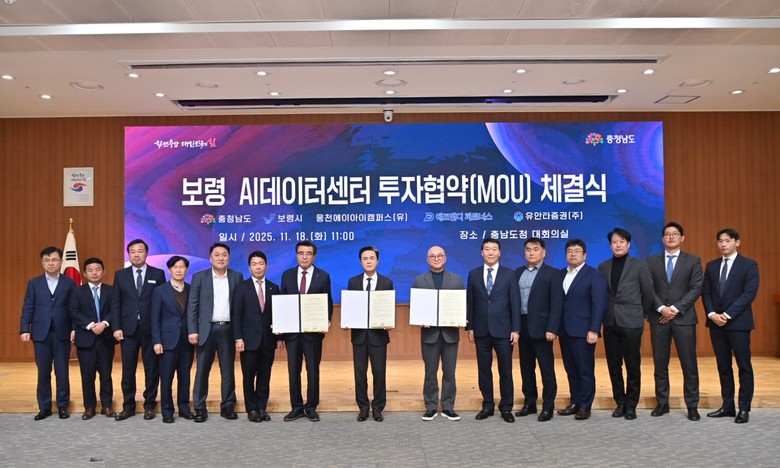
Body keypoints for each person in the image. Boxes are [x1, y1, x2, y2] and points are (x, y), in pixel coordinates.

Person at [646, 222, 703, 421]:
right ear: (663, 238)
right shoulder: (651, 261)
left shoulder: (693, 260)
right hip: (658, 318)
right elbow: (648, 288)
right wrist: (662, 308)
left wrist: (675, 309)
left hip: (684, 319)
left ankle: (692, 405)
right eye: (667, 234)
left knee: (689, 365)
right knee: (660, 364)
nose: (671, 237)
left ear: (682, 238)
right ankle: (662, 403)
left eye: (675, 234)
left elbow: (696, 288)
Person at [702, 228, 759, 424]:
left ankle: (744, 408)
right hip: (716, 323)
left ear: (737, 242)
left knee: (744, 366)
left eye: (727, 240)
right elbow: (706, 292)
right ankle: (728, 406)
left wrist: (726, 315)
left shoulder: (749, 265)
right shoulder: (711, 266)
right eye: (720, 241)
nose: (723, 244)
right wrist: (712, 314)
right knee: (723, 366)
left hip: (738, 323)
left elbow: (749, 294)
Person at [598, 227, 654, 420]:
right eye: (614, 242)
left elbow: (648, 293)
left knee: (632, 364)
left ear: (628, 244)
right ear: (610, 245)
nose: (618, 245)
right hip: (610, 321)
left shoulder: (639, 265)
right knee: (614, 365)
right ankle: (620, 402)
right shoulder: (603, 266)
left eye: (622, 241)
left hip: (632, 321)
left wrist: (640, 314)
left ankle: (631, 404)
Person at [188, 242, 244, 423]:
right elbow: (192, 306)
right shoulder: (199, 277)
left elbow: (240, 307)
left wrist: (239, 334)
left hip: (228, 329)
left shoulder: (237, 276)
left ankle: (228, 406)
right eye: (217, 255)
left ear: (229, 257)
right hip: (206, 330)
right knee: (202, 371)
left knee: (227, 370)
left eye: (224, 255)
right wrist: (192, 330)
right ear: (210, 258)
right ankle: (200, 407)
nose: (221, 258)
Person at [110, 239, 166, 421]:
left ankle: (149, 406)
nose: (136, 254)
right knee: (128, 371)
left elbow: (162, 303)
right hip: (128, 331)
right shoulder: (120, 275)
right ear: (129, 254)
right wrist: (116, 327)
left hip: (151, 330)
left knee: (152, 370)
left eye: (140, 251)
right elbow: (116, 303)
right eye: (133, 251)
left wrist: (160, 330)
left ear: (146, 253)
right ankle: (128, 406)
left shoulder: (158, 274)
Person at [466, 238, 520, 423]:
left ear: (500, 252)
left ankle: (506, 407)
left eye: (494, 249)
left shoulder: (509, 274)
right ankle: (487, 405)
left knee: (505, 370)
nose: (490, 252)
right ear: (482, 252)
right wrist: (470, 327)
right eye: (487, 249)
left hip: (504, 331)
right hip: (481, 330)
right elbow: (471, 302)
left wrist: (516, 329)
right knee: (484, 370)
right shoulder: (473, 274)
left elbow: (515, 303)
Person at [20, 246, 76, 420]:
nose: (50, 263)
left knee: (62, 371)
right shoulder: (34, 283)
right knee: (43, 372)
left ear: (61, 262)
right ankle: (44, 407)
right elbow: (28, 306)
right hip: (40, 333)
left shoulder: (69, 283)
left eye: (54, 260)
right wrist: (24, 328)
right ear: (42, 262)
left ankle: (62, 406)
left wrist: (74, 328)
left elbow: (74, 308)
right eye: (46, 260)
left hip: (62, 333)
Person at [280, 240, 333, 422]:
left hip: (313, 333)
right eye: (301, 253)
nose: (304, 257)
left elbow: (328, 302)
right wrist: (280, 329)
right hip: (292, 334)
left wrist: (327, 320)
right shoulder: (287, 275)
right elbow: (283, 303)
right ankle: (296, 407)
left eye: (308, 253)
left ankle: (311, 407)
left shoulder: (323, 276)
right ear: (296, 255)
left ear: (314, 256)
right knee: (293, 371)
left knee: (313, 370)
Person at [412, 245, 465, 421]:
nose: (436, 259)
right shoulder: (419, 280)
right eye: (432, 256)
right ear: (427, 259)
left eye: (439, 255)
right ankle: (431, 406)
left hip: (450, 334)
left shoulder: (456, 280)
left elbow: (462, 305)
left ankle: (448, 407)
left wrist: (461, 317)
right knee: (430, 372)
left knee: (450, 372)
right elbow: (416, 307)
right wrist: (420, 319)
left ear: (445, 258)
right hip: (430, 335)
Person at [513, 237, 563, 422]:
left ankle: (548, 406)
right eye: (528, 249)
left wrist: (552, 328)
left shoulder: (553, 273)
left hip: (543, 329)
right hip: (522, 326)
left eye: (535, 249)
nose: (531, 253)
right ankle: (530, 403)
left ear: (544, 252)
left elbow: (557, 304)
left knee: (546, 369)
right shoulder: (518, 272)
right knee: (526, 368)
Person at [558, 239, 607, 421]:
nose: (573, 254)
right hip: (564, 330)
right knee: (571, 369)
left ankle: (585, 406)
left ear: (584, 255)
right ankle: (575, 402)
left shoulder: (594, 275)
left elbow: (599, 304)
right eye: (569, 251)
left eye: (577, 251)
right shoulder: (560, 274)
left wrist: (594, 329)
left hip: (584, 331)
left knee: (585, 370)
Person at [232, 250, 283, 423]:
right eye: (254, 264)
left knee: (264, 376)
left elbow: (277, 315)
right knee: (248, 376)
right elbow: (236, 315)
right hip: (248, 341)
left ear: (266, 266)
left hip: (268, 341)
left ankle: (262, 407)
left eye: (261, 263)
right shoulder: (241, 288)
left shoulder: (274, 288)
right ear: (249, 268)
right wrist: (238, 338)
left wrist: (279, 338)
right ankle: (251, 409)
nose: (258, 267)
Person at [346, 246, 394, 422]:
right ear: (360, 262)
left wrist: (389, 321)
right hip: (359, 336)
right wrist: (347, 321)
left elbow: (388, 307)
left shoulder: (386, 282)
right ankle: (363, 408)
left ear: (377, 261)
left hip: (378, 336)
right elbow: (351, 307)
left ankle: (378, 407)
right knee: (360, 374)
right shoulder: (353, 282)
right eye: (365, 258)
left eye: (371, 258)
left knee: (379, 373)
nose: (368, 261)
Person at [68, 257, 117, 420]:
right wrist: (90, 325)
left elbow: (115, 310)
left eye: (97, 269)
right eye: (90, 270)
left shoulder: (111, 290)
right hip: (85, 338)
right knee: (87, 375)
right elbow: (74, 311)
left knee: (106, 374)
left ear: (103, 271)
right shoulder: (77, 291)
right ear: (84, 273)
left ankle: (107, 405)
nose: (94, 273)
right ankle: (89, 407)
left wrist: (104, 323)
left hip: (105, 338)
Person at [151, 256, 195, 423]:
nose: (178, 270)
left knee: (184, 377)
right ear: (169, 270)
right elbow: (154, 318)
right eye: (175, 267)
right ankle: (167, 411)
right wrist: (156, 341)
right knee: (166, 378)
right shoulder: (160, 291)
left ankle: (184, 408)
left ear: (186, 270)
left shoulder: (191, 289)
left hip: (187, 341)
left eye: (182, 267)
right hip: (167, 341)